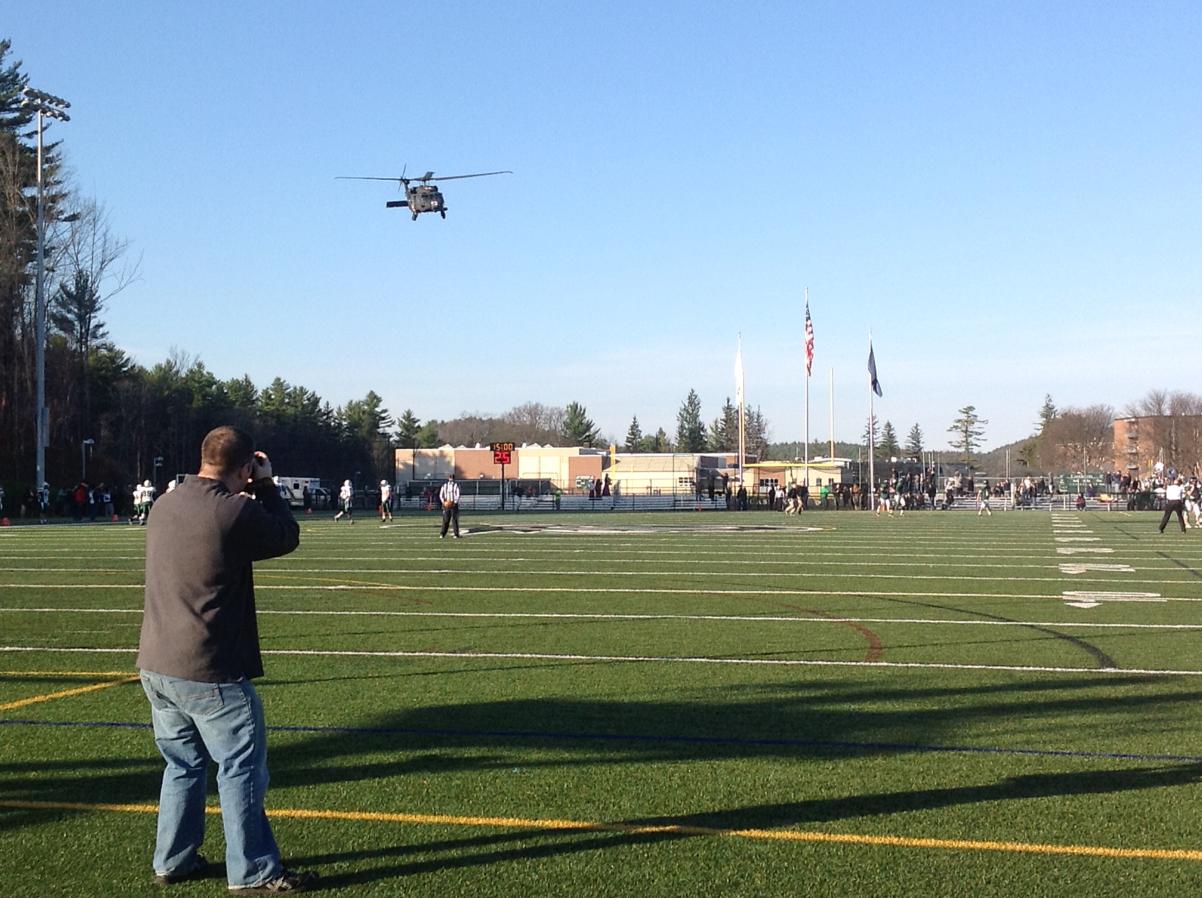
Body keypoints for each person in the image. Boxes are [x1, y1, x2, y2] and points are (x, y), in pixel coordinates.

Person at [136, 425, 316, 893]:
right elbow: (286, 535)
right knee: (240, 767)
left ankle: (172, 860)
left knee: (182, 765)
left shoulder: (164, 504)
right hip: (208, 665)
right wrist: (268, 485)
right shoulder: (231, 511)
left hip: (157, 661)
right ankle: (253, 868)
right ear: (242, 469)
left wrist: (246, 484)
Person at [439, 472, 461, 538]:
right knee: (446, 520)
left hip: (453, 505)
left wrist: (454, 502)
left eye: (452, 478)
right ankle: (442, 534)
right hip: (447, 505)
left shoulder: (456, 485)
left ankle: (456, 534)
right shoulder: (445, 485)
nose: (451, 479)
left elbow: (458, 494)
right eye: (451, 477)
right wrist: (444, 502)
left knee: (454, 520)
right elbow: (441, 495)